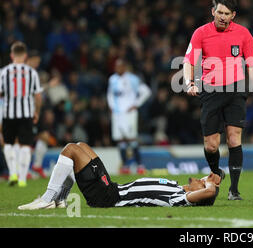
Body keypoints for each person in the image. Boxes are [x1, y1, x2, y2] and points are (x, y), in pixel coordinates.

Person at [183, 0, 253, 200]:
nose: (222, 16)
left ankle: (234, 190)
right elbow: (188, 61)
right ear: (213, 11)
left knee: (233, 138)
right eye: (219, 12)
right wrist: (189, 81)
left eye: (226, 13)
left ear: (233, 15)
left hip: (236, 90)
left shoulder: (244, 34)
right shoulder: (201, 33)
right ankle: (217, 172)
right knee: (211, 144)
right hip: (210, 91)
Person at [18, 142, 221, 210]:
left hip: (107, 197)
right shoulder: (175, 185)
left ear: (201, 192)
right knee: (81, 145)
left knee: (70, 150)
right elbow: (206, 188)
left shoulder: (178, 199)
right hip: (112, 188)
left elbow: (207, 192)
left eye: (202, 182)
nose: (201, 179)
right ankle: (60, 199)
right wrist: (211, 179)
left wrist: (211, 186)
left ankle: (46, 199)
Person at [0, 41, 43, 187]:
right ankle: (23, 179)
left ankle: (13, 172)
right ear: (25, 56)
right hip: (26, 114)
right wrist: (36, 112)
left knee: (8, 144)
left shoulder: (4, 72)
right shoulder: (32, 73)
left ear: (12, 55)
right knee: (25, 145)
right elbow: (38, 96)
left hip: (8, 114)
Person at [107, 59, 151, 175]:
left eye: (119, 66)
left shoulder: (133, 79)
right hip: (117, 114)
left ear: (124, 67)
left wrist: (135, 104)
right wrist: (111, 106)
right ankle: (125, 166)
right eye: (116, 66)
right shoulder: (112, 79)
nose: (117, 68)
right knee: (121, 140)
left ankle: (140, 165)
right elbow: (110, 95)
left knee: (132, 139)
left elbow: (146, 92)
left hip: (129, 114)